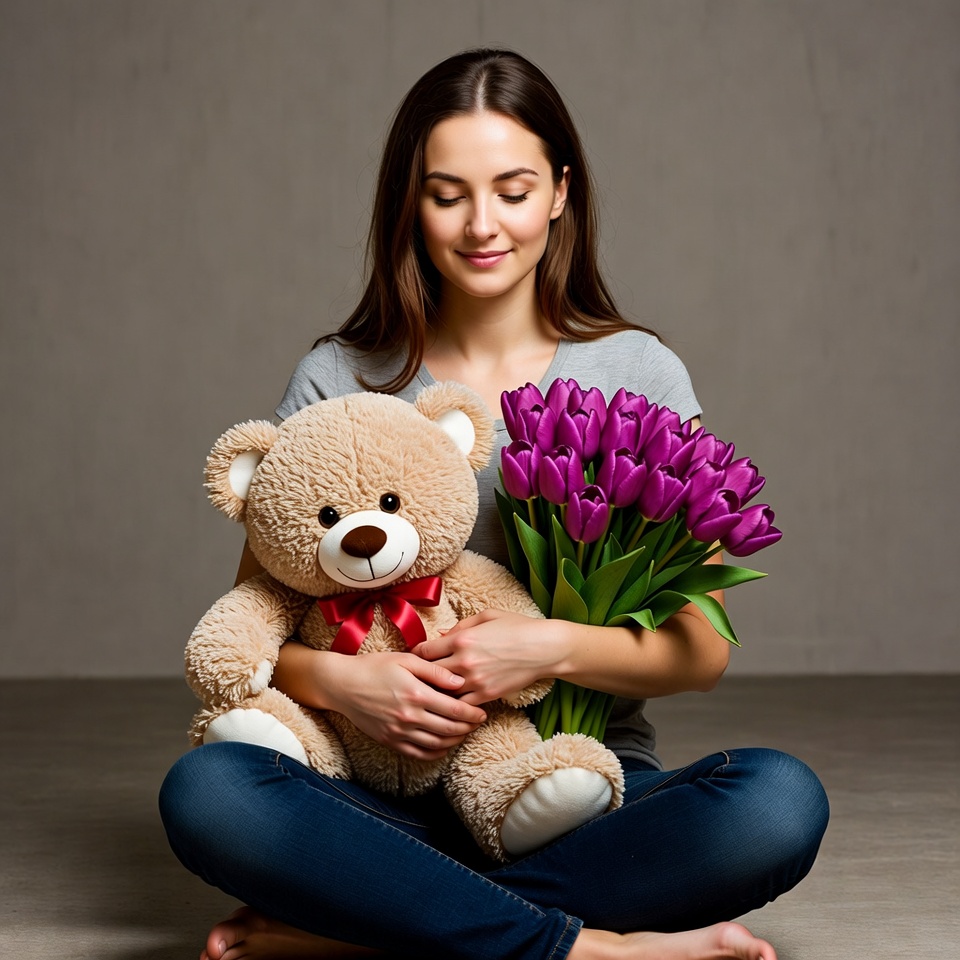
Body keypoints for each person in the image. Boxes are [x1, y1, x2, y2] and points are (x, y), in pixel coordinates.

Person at [160, 48, 828, 960]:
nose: (483, 225)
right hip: (377, 797)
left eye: (512, 190)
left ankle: (371, 929)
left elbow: (701, 651)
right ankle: (594, 949)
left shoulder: (638, 372)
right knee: (211, 792)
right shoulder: (340, 377)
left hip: (575, 789)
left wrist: (545, 648)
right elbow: (261, 633)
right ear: (412, 203)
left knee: (778, 801)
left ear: (560, 193)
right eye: (447, 195)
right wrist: (352, 685)